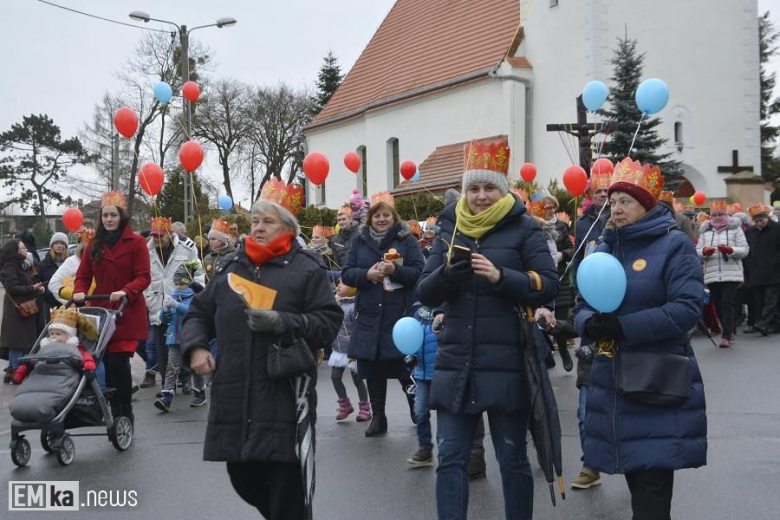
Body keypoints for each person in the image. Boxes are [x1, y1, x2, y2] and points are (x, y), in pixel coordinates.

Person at [416, 138, 559, 520]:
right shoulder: (450, 226)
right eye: (474, 188)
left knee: (512, 458)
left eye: (489, 188)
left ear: (503, 189)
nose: (480, 196)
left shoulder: (524, 227)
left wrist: (501, 277)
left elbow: (549, 283)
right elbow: (424, 290)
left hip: (507, 360)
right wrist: (448, 275)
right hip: (457, 360)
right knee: (450, 458)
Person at [179, 196, 342, 520]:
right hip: (234, 394)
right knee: (243, 477)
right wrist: (196, 346)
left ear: (288, 227)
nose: (258, 227)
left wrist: (284, 322)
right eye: (255, 221)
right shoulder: (231, 266)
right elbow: (198, 312)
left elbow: (328, 323)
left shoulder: (307, 268)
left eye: (268, 221)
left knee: (287, 493)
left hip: (285, 394)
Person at [574, 158, 706, 520]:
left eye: (626, 202)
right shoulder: (605, 246)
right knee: (636, 478)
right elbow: (583, 303)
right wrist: (589, 324)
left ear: (647, 205)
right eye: (613, 201)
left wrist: (623, 327)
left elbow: (686, 309)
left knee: (651, 491)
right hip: (612, 378)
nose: (616, 209)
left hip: (655, 380)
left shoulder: (674, 245)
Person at [341, 192, 425, 437]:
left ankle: (416, 409)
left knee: (404, 367)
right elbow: (347, 273)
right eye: (377, 215)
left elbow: (419, 271)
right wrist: (366, 275)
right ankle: (378, 417)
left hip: (399, 314)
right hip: (369, 314)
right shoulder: (360, 241)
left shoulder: (407, 240)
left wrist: (394, 271)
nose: (381, 219)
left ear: (393, 217)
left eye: (386, 215)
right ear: (370, 218)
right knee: (372, 368)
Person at [73, 191, 151, 423]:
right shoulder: (94, 245)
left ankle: (124, 412)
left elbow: (143, 276)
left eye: (113, 215)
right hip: (101, 312)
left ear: (121, 216)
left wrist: (126, 290)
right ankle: (112, 409)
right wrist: (79, 291)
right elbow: (83, 275)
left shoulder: (136, 243)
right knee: (106, 363)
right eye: (105, 215)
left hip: (126, 311)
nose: (108, 219)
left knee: (118, 362)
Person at [143, 216, 204, 390]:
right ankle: (167, 386)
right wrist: (146, 298)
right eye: (154, 236)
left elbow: (198, 273)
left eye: (161, 236)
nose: (157, 239)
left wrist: (194, 295)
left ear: (170, 234)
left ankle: (185, 379)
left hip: (181, 305)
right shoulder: (146, 251)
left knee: (181, 344)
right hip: (157, 305)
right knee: (162, 348)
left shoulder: (187, 248)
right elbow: (143, 276)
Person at [696, 200, 749, 347]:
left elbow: (744, 250)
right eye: (715, 215)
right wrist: (704, 252)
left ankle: (726, 336)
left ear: (726, 215)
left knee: (727, 303)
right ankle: (730, 330)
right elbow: (697, 251)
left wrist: (731, 250)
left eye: (720, 215)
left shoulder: (735, 229)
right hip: (712, 273)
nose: (718, 218)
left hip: (731, 273)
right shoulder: (705, 231)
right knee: (718, 305)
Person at [154, 261, 206, 412]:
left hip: (191, 338)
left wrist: (176, 306)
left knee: (195, 367)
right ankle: (166, 397)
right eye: (176, 284)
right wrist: (164, 311)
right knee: (172, 366)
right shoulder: (174, 297)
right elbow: (165, 320)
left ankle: (200, 393)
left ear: (189, 283)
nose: (178, 287)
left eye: (181, 284)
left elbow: (190, 312)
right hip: (174, 338)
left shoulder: (196, 298)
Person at [12, 306, 97, 384]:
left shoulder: (74, 347)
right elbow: (32, 361)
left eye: (58, 334)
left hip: (64, 375)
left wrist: (88, 362)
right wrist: (20, 372)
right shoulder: (46, 347)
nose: (53, 336)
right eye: (52, 334)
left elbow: (85, 355)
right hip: (42, 375)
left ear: (69, 336)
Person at [0, 239, 45, 384]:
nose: (26, 251)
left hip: (25, 307)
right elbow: (12, 287)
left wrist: (35, 289)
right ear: (15, 251)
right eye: (23, 248)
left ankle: (12, 369)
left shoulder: (22, 265)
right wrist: (32, 288)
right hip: (17, 309)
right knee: (17, 341)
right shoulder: (10, 266)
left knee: (20, 340)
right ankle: (15, 370)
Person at [330, 280, 371, 422]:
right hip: (339, 349)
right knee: (335, 377)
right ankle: (345, 405)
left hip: (353, 351)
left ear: (352, 288)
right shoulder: (336, 304)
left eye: (342, 284)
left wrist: (358, 347)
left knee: (357, 379)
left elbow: (359, 329)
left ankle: (365, 408)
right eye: (338, 284)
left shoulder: (354, 307)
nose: (338, 286)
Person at [406, 304, 442, 467]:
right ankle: (425, 449)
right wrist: (410, 355)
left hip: (442, 372)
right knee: (420, 412)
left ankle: (446, 451)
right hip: (421, 373)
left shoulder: (445, 309)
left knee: (445, 415)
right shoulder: (418, 313)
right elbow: (411, 337)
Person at [745, 203, 780, 336]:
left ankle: (763, 324)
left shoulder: (777, 228)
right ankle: (775, 324)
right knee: (760, 300)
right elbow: (750, 251)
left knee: (771, 299)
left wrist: (775, 261)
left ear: (767, 217)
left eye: (761, 220)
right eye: (756, 221)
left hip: (774, 271)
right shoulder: (751, 231)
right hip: (757, 271)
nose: (759, 223)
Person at [573, 169, 612, 272]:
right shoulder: (581, 222)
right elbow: (577, 257)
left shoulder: (621, 218)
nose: (603, 194)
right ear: (592, 197)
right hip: (590, 274)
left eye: (606, 191)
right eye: (598, 191)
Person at [49, 229, 94, 306]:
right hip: (81, 309)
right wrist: (72, 301)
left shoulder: (104, 261)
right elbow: (53, 284)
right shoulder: (73, 261)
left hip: (104, 308)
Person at [37, 232, 70, 320]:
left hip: (69, 304)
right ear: (52, 246)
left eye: (62, 243)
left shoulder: (70, 263)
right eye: (56, 243)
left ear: (65, 246)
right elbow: (38, 282)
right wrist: (44, 291)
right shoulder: (43, 265)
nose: (59, 245)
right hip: (50, 304)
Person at [203, 219, 235, 283]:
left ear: (222, 240)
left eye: (213, 239)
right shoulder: (207, 258)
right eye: (209, 239)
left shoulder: (233, 256)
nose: (211, 242)